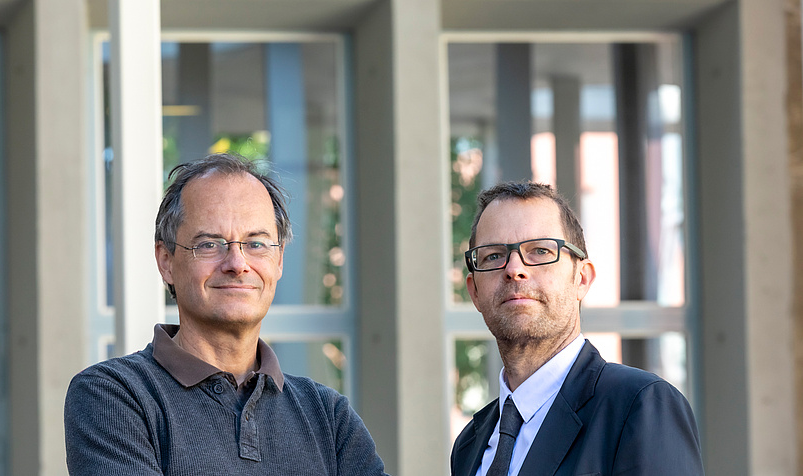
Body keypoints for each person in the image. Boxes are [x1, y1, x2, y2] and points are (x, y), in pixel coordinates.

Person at [65, 153, 387, 475]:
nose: (237, 263)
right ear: (166, 261)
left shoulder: (329, 416)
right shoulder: (113, 397)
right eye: (209, 244)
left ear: (279, 261)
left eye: (256, 244)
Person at [450, 181, 703, 476]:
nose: (514, 268)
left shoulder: (639, 405)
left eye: (540, 251)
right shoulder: (469, 444)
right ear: (475, 292)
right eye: (493, 255)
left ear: (582, 278)